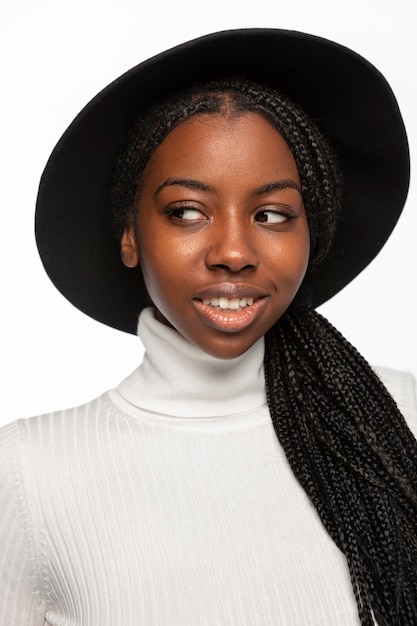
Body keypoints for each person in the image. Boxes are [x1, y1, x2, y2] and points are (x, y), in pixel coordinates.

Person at [0, 28, 416, 626]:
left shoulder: (400, 417)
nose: (233, 252)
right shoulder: (28, 475)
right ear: (129, 234)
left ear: (310, 232)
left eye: (272, 214)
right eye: (187, 212)